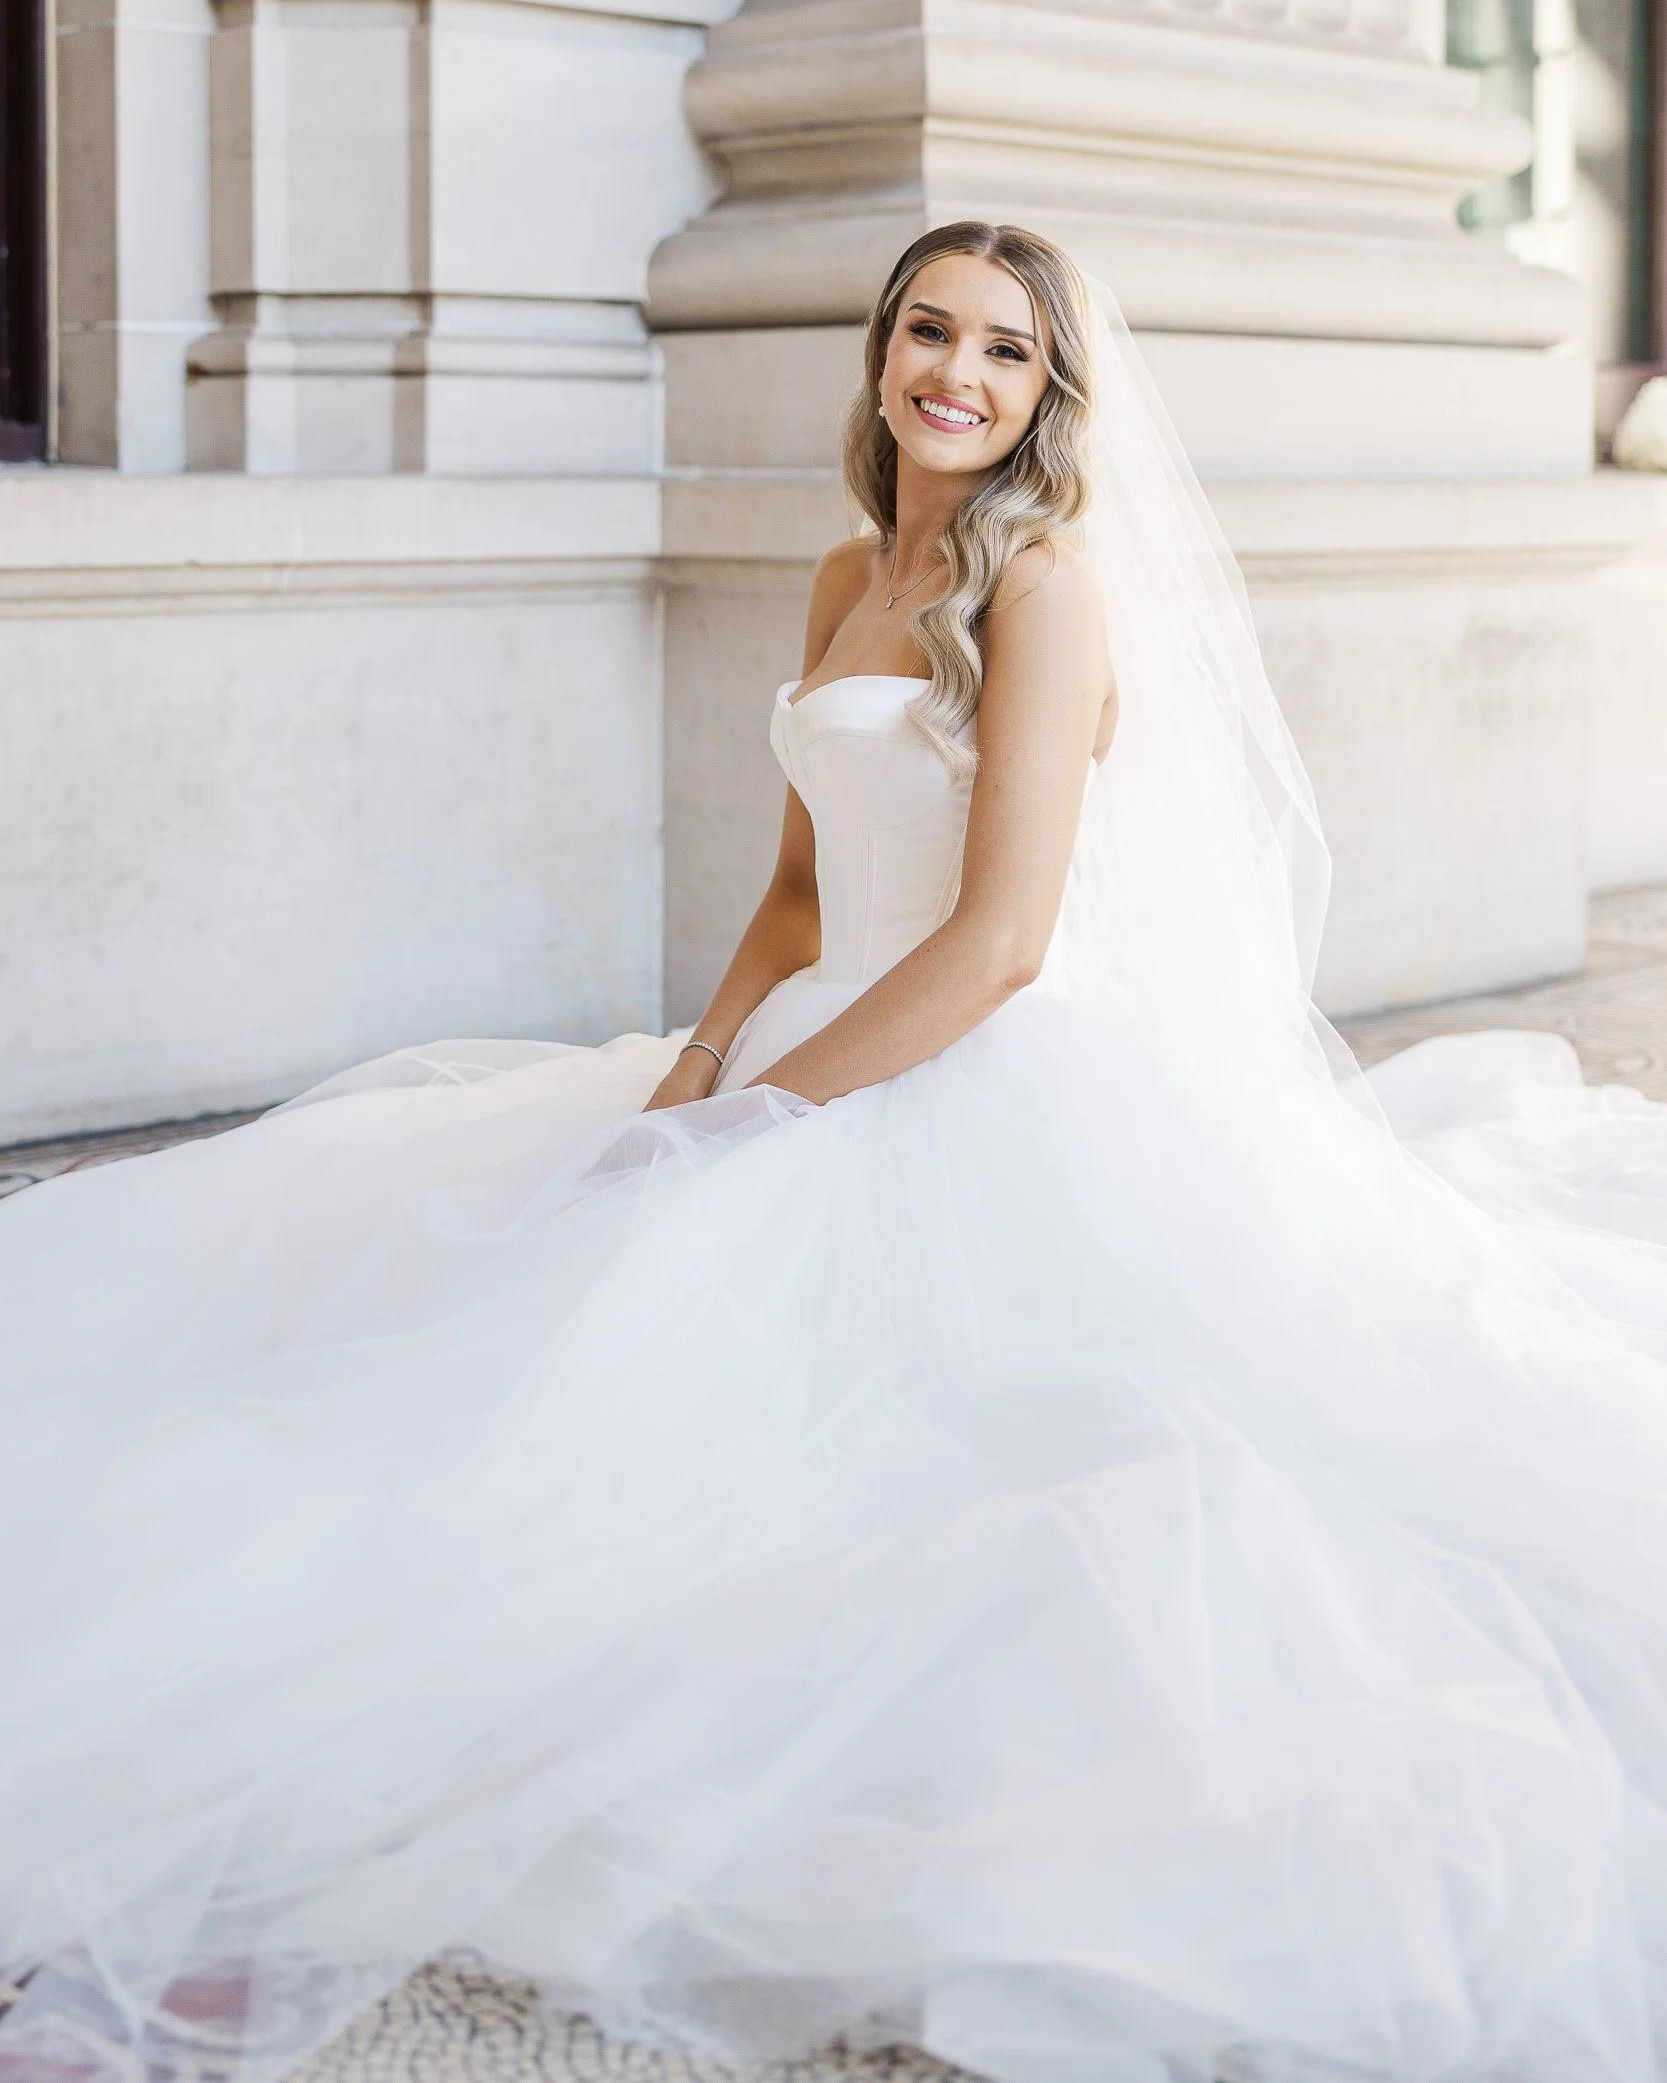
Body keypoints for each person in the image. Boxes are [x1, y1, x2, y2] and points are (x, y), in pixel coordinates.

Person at [3, 221, 1667, 2083]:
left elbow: (1001, 942)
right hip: (808, 1034)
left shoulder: (1045, 591)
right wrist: (697, 1071)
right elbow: (801, 894)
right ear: (879, 354)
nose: (956, 373)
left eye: (1006, 352)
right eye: (928, 331)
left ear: (1052, 394)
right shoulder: (843, 574)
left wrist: (763, 1128)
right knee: (476, 1323)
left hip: (989, 1063)